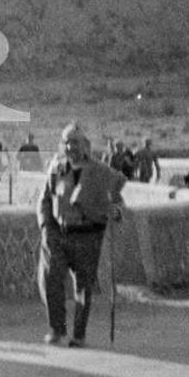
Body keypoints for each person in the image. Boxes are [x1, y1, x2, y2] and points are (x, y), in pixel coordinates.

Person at [37, 123, 126, 348]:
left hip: (88, 236)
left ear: (85, 145)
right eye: (66, 142)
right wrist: (46, 227)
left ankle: (78, 334)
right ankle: (56, 329)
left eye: (75, 142)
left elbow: (118, 198)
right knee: (50, 280)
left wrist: (116, 212)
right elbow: (45, 200)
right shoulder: (57, 169)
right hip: (59, 233)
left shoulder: (101, 171)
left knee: (83, 288)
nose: (70, 147)